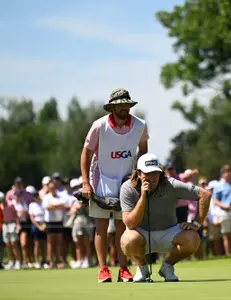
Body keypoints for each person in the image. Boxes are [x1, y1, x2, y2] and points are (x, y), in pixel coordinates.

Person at [80, 88, 148, 283]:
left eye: (127, 104)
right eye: (120, 105)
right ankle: (103, 269)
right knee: (101, 226)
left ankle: (124, 268)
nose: (124, 107)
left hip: (127, 180)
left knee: (123, 226)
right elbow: (86, 153)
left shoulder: (140, 125)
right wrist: (85, 182)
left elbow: (143, 151)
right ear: (112, 107)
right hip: (101, 178)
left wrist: (140, 175)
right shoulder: (99, 125)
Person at [119, 153, 211, 282]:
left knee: (193, 238)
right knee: (128, 240)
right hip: (141, 234)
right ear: (139, 173)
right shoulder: (127, 188)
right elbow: (130, 224)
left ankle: (167, 266)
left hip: (169, 232)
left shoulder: (171, 184)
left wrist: (196, 223)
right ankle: (142, 268)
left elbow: (205, 195)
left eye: (155, 173)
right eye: (147, 173)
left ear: (160, 173)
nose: (152, 177)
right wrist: (143, 197)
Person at [27, 186, 47, 269]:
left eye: (36, 195)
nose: (35, 196)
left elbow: (46, 214)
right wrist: (39, 227)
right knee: (36, 244)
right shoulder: (32, 205)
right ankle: (37, 261)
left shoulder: (43, 203)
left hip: (44, 224)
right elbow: (32, 218)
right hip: (36, 226)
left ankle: (45, 261)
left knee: (44, 244)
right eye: (34, 195)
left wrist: (44, 225)